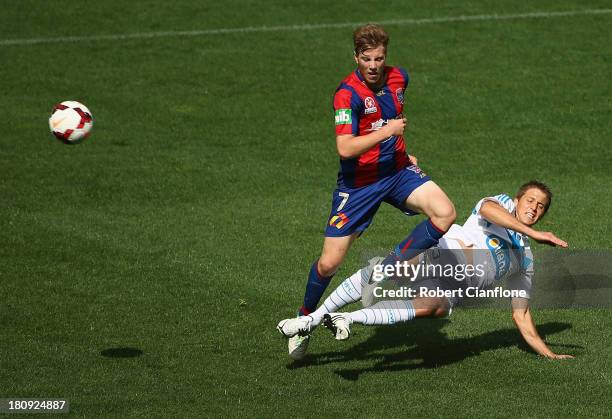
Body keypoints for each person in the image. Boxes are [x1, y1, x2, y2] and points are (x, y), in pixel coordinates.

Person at [289, 24, 456, 359]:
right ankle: (304, 319)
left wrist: (402, 151)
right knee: (329, 263)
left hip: (396, 172)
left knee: (445, 212)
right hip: (360, 184)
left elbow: (390, 117)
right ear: (356, 57)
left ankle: (386, 269)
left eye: (379, 58)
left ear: (385, 56)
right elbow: (346, 147)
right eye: (366, 59)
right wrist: (389, 133)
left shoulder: (399, 78)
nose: (374, 65)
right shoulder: (345, 94)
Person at [279, 181, 574, 360]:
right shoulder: (502, 205)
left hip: (450, 288)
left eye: (541, 206)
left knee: (437, 307)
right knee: (386, 272)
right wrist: (534, 233)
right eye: (531, 200)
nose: (534, 208)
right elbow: (487, 210)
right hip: (443, 253)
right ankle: (310, 321)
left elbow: (520, 314)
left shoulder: (525, 259)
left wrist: (549, 354)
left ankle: (347, 318)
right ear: (518, 199)